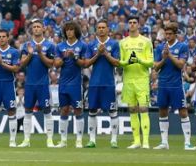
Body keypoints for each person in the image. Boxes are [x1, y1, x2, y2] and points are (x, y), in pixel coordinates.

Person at [152, 22, 195, 150]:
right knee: (163, 111)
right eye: (166, 34)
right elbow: (156, 66)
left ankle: (187, 142)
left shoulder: (182, 47)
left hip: (176, 84)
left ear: (175, 34)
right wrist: (164, 59)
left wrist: (169, 55)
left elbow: (181, 65)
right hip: (163, 84)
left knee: (182, 111)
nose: (168, 36)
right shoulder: (160, 48)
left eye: (170, 34)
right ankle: (164, 142)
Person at [18, 19, 56, 147]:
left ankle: (49, 140)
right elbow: (22, 63)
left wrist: (40, 53)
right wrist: (29, 54)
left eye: (38, 26)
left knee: (47, 110)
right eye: (34, 27)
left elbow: (51, 64)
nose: (36, 29)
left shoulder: (49, 45)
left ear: (43, 28)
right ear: (32, 29)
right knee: (28, 110)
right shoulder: (26, 45)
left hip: (43, 83)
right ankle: (26, 140)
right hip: (30, 84)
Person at [118, 15, 153, 149]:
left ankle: (145, 142)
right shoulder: (123, 42)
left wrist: (139, 60)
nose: (132, 24)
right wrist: (127, 62)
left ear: (138, 25)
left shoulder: (146, 41)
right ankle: (136, 141)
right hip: (128, 81)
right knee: (132, 110)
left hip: (142, 80)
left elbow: (151, 62)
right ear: (128, 25)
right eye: (130, 22)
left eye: (134, 22)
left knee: (143, 109)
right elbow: (120, 63)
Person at [85, 20, 120, 148]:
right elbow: (86, 63)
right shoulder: (91, 44)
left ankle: (114, 140)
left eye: (103, 27)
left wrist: (105, 53)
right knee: (92, 110)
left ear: (107, 29)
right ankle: (92, 140)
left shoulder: (114, 44)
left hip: (108, 83)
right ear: (96, 30)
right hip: (94, 83)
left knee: (112, 110)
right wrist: (98, 54)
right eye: (99, 27)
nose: (101, 29)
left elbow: (117, 62)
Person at [53, 21, 89, 148]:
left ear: (76, 31)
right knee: (64, 110)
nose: (69, 32)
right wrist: (63, 57)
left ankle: (79, 140)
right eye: (67, 30)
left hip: (76, 84)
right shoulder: (59, 46)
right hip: (63, 83)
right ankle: (63, 140)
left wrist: (74, 57)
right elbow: (56, 64)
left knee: (78, 110)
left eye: (71, 29)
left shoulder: (82, 45)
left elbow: (84, 64)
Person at [0, 29, 21, 147]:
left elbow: (16, 69)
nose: (1, 38)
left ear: (8, 38)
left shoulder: (14, 52)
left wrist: (2, 63)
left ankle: (12, 141)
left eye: (3, 36)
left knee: (11, 110)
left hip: (8, 84)